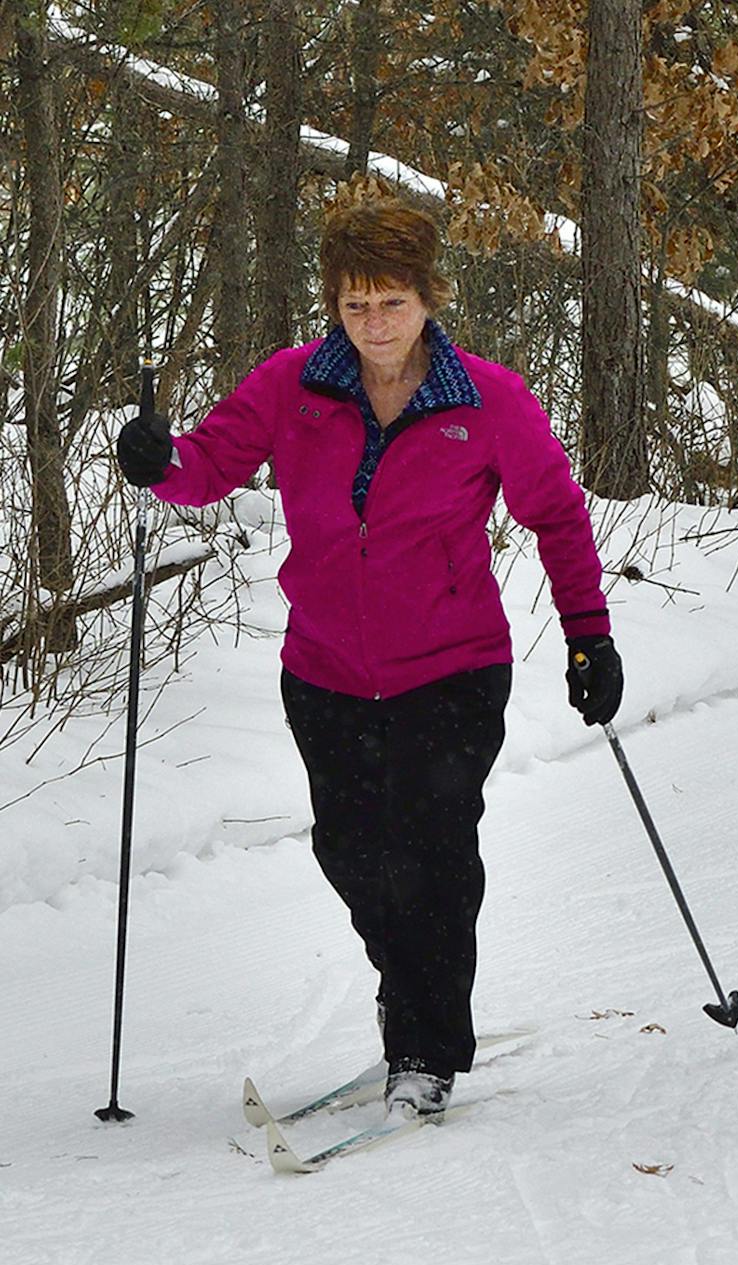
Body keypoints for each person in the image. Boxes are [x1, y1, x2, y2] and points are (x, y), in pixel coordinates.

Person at [115, 198, 625, 1118]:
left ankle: (427, 1050)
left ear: (429, 297)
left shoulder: (488, 401)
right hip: (326, 672)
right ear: (335, 305)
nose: (374, 324)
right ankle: (409, 982)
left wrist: (589, 635)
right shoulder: (291, 386)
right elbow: (207, 467)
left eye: (391, 302)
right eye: (356, 305)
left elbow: (556, 514)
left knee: (433, 851)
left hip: (454, 667)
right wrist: (159, 461)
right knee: (352, 851)